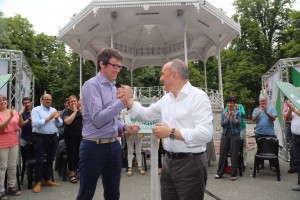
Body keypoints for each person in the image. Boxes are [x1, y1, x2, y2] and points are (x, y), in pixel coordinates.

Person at [126, 59, 213, 200]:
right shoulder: (166, 99)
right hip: (168, 161)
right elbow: (146, 114)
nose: (160, 78)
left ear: (174, 75)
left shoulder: (198, 97)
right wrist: (128, 99)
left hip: (191, 163)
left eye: (162, 74)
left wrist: (171, 132)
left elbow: (206, 133)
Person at [76, 47, 140, 200]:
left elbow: (111, 118)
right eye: (114, 65)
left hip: (113, 145)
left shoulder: (113, 87)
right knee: (86, 194)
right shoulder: (91, 85)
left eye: (119, 66)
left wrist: (124, 126)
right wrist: (123, 100)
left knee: (113, 194)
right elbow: (98, 119)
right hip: (93, 147)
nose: (117, 70)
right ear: (102, 64)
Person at [31, 93, 63, 193]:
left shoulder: (53, 109)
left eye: (50, 99)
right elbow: (35, 123)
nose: (48, 101)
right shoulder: (36, 109)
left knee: (50, 159)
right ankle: (38, 182)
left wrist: (57, 118)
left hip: (52, 136)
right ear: (41, 100)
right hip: (39, 137)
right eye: (46, 99)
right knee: (40, 160)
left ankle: (48, 179)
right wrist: (50, 117)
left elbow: (61, 123)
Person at [215, 96, 242, 181]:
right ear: (227, 104)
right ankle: (220, 173)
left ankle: (233, 174)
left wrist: (233, 117)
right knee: (223, 153)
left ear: (234, 104)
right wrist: (227, 118)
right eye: (228, 103)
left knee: (234, 154)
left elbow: (238, 124)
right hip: (225, 134)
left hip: (235, 134)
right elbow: (223, 125)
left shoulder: (238, 112)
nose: (230, 104)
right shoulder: (224, 112)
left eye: (231, 103)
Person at [0, 95, 21, 199]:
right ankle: (1, 190)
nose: (3, 102)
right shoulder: (9, 114)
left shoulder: (13, 111)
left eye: (4, 100)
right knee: (2, 166)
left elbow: (19, 124)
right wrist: (10, 117)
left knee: (12, 165)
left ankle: (11, 187)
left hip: (13, 141)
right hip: (1, 142)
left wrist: (20, 115)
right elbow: (1, 127)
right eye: (0, 101)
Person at [120, 99, 145, 176]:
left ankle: (140, 166)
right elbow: (121, 121)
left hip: (138, 132)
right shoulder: (124, 111)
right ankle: (129, 167)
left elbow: (143, 120)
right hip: (129, 133)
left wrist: (138, 128)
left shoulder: (140, 111)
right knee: (130, 150)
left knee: (138, 150)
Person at [252, 94, 277, 169]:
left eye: (264, 101)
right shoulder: (256, 109)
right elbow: (253, 120)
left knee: (271, 150)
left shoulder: (271, 108)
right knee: (260, 149)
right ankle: (260, 164)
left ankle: (272, 165)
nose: (262, 102)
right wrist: (259, 113)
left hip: (270, 133)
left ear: (267, 101)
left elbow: (273, 119)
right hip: (259, 133)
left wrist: (266, 112)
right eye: (261, 101)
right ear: (259, 102)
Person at [62, 95, 82, 183]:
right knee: (72, 153)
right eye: (72, 101)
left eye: (75, 101)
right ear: (69, 103)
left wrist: (79, 110)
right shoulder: (66, 111)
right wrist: (75, 111)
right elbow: (68, 122)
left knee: (80, 153)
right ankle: (71, 173)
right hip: (70, 136)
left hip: (80, 135)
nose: (74, 103)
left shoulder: (80, 111)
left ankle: (79, 170)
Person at [285, 92, 300, 191]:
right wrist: (290, 108)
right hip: (295, 137)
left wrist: (294, 109)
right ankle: (299, 183)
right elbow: (287, 118)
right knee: (298, 161)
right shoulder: (295, 104)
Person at [282, 96, 297, 174]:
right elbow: (285, 116)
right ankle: (293, 166)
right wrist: (290, 108)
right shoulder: (288, 101)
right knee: (292, 146)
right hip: (290, 125)